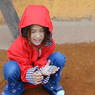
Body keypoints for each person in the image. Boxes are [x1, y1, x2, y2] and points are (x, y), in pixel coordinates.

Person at [1, 5, 66, 95]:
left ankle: (51, 83)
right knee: (10, 68)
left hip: (41, 75)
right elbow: (22, 64)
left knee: (59, 58)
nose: (38, 36)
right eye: (33, 31)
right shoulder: (18, 46)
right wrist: (32, 74)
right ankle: (14, 89)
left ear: (47, 31)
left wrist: (43, 70)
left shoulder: (48, 43)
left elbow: (44, 59)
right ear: (26, 31)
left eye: (41, 31)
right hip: (24, 76)